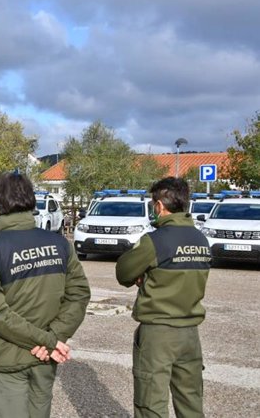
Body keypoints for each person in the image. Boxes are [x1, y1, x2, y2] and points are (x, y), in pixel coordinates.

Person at [0, 171, 90, 418]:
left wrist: (49, 340)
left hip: (8, 357)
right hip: (45, 357)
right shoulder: (60, 244)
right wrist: (53, 338)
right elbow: (79, 294)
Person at [116, 177, 211, 418]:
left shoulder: (155, 241)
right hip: (190, 333)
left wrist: (144, 276)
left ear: (159, 206)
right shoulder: (201, 240)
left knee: (151, 403)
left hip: (158, 333)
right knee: (191, 403)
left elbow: (124, 272)